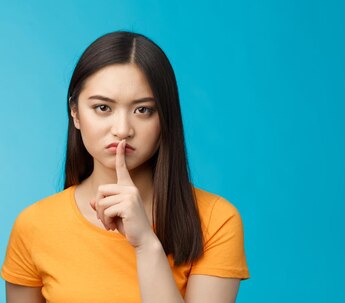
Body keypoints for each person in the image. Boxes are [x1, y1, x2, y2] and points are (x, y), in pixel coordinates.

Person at [1, 31, 250, 302]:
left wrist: (146, 244)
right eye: (103, 108)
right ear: (75, 113)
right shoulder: (34, 226)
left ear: (165, 118)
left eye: (143, 110)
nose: (122, 130)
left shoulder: (216, 221)